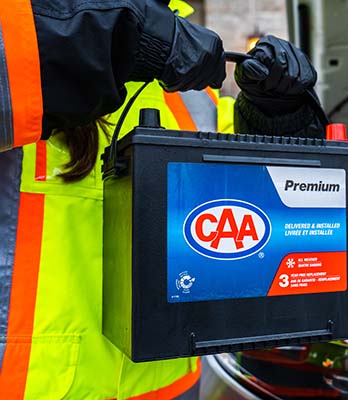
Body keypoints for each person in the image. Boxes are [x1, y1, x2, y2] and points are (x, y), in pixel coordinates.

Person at [0, 0, 324, 398]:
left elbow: (245, 205)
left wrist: (273, 117)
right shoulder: (22, 18)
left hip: (168, 387)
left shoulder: (189, 70)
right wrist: (106, 35)